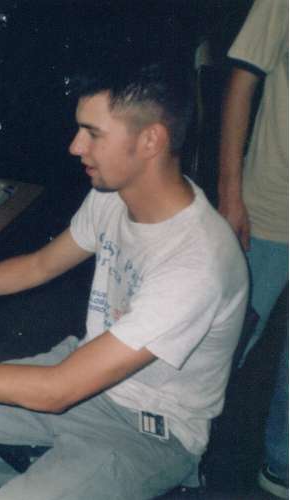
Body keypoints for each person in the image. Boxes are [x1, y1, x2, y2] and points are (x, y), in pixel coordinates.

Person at [0, 57, 249, 499]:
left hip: (149, 430)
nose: (75, 146)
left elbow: (57, 391)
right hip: (80, 367)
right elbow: (40, 265)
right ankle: (57, 473)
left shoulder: (196, 263)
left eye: (93, 133)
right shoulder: (114, 196)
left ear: (151, 140)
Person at [217, 0, 288, 496]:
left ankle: (281, 465)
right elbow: (242, 82)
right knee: (223, 338)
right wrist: (230, 193)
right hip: (270, 205)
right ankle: (167, 445)